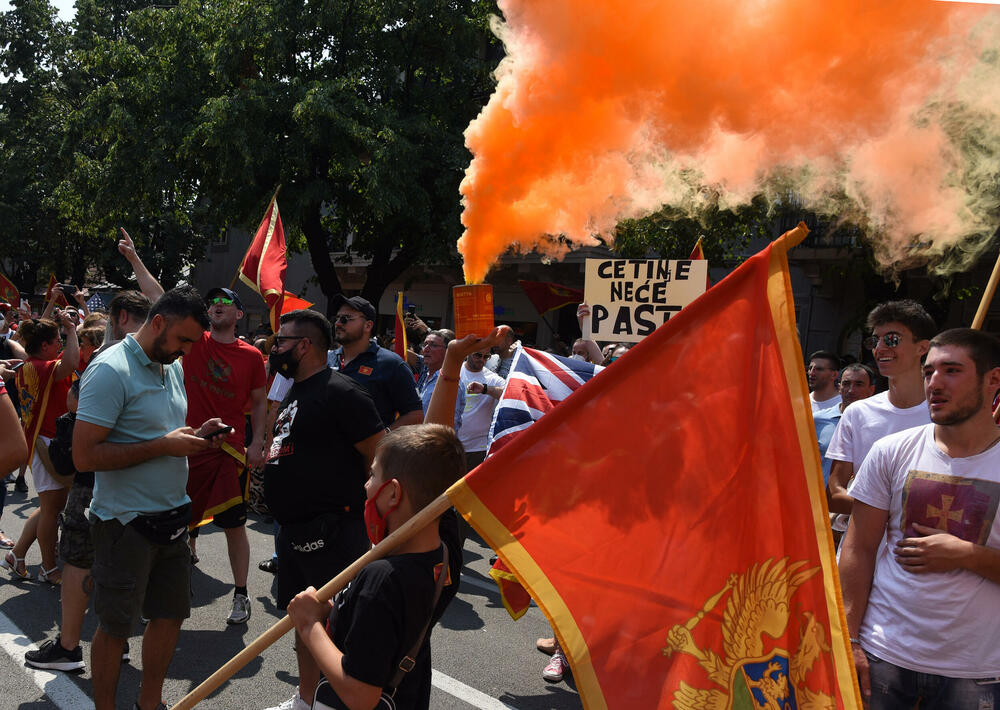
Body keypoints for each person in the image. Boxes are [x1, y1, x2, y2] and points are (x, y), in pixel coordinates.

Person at [73, 286, 223, 710]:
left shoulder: (168, 365)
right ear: (158, 323)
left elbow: (159, 431)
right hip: (124, 523)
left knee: (170, 615)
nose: (186, 352)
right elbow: (85, 456)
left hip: (172, 517)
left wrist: (195, 435)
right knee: (116, 627)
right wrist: (163, 446)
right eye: (183, 341)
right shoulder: (109, 370)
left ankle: (149, 704)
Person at [839, 328, 1000, 709]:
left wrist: (967, 555)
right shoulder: (891, 451)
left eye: (952, 371)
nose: (935, 384)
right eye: (929, 372)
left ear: (993, 379)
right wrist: (849, 639)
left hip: (976, 670)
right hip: (883, 657)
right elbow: (858, 549)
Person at [286, 424, 465, 710]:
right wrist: (449, 377)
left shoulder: (382, 580)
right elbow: (435, 473)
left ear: (393, 493)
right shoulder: (445, 554)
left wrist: (309, 624)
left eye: (372, 475)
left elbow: (361, 696)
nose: (366, 485)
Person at [263, 309, 386, 710]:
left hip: (335, 531)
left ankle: (340, 702)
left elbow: (381, 456)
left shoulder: (342, 392)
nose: (273, 347)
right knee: (304, 620)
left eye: (281, 341)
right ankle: (306, 698)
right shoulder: (294, 390)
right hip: (293, 531)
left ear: (304, 346)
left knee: (337, 625)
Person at [183, 287, 267, 626]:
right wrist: (134, 259)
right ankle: (165, 594)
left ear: (238, 315)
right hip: (186, 447)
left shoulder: (251, 357)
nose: (217, 307)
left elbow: (260, 402)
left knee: (234, 526)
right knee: (172, 523)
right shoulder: (193, 342)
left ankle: (241, 593)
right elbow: (159, 296)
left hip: (227, 452)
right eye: (213, 302)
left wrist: (258, 442)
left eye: (225, 303)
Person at [827, 300, 936, 518]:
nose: (880, 349)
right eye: (875, 340)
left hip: (919, 547)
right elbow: (834, 494)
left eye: (892, 339)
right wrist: (893, 513)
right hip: (859, 546)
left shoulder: (943, 416)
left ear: (922, 347)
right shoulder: (857, 413)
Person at [2, 311, 79, 583]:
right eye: (58, 340)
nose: (60, 343)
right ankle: (48, 568)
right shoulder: (42, 366)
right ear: (44, 345)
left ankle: (18, 553)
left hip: (42, 440)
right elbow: (71, 362)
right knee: (51, 509)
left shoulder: (29, 365)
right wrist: (71, 329)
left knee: (51, 505)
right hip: (46, 441)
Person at [327, 295, 423, 429]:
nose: (338, 323)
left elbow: (415, 415)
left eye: (345, 319)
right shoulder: (326, 359)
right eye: (336, 318)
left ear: (368, 325)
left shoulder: (391, 364)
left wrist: (382, 440)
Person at [814, 363, 877, 485]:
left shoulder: (878, 424)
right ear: (839, 387)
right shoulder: (817, 420)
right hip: (820, 498)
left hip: (858, 500)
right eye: (846, 384)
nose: (851, 390)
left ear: (871, 390)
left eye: (859, 384)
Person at [459, 347, 505, 470]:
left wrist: (485, 389)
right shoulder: (454, 371)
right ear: (468, 352)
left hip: (478, 448)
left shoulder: (491, 378)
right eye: (478, 355)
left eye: (486, 357)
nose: (482, 360)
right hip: (452, 445)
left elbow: (510, 392)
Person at [416, 330, 464, 431]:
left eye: (433, 345)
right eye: (425, 344)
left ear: (448, 351)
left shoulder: (450, 383)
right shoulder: (426, 376)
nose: (426, 349)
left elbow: (447, 428)